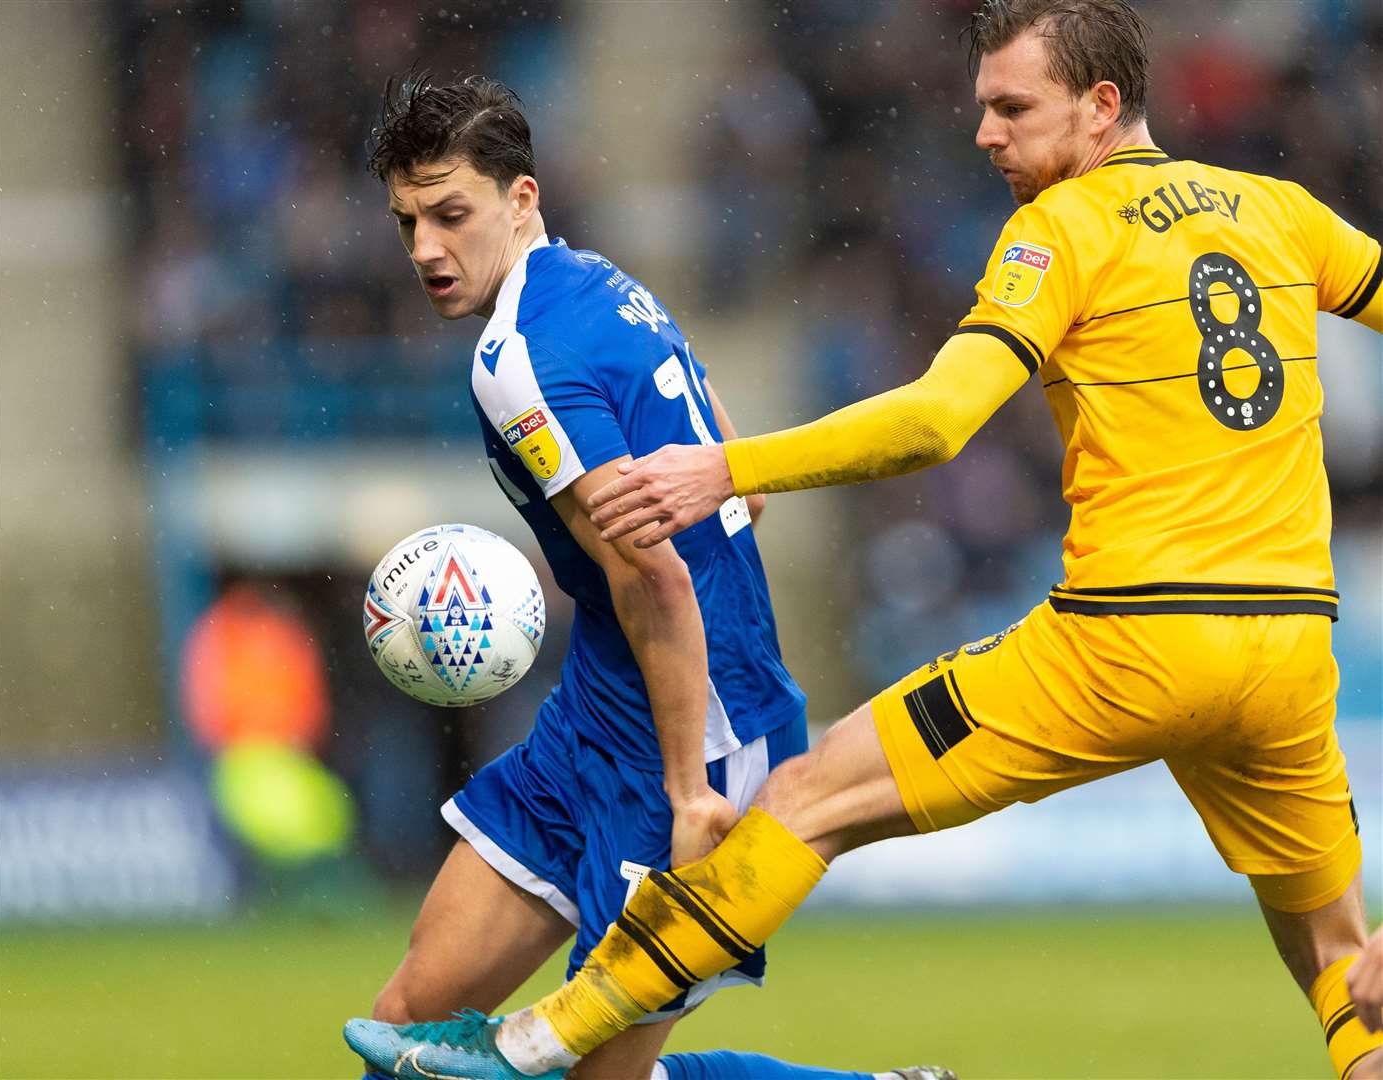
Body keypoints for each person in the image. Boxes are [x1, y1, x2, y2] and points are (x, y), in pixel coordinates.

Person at [344, 2, 1383, 1078]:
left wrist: (731, 469)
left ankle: (539, 1035)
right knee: (1347, 972)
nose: (986, 133)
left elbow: (937, 420)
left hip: (1134, 636)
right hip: (1292, 646)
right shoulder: (1281, 209)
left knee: (803, 802)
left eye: (1011, 108)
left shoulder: (1066, 227)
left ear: (1102, 105)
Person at [342, 73, 953, 1080]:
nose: (424, 250)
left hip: (699, 734)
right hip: (600, 706)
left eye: (451, 215)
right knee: (406, 1027)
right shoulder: (608, 283)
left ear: (521, 198)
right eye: (407, 220)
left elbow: (655, 580)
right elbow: (737, 482)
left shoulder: (518, 357)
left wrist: (686, 793)